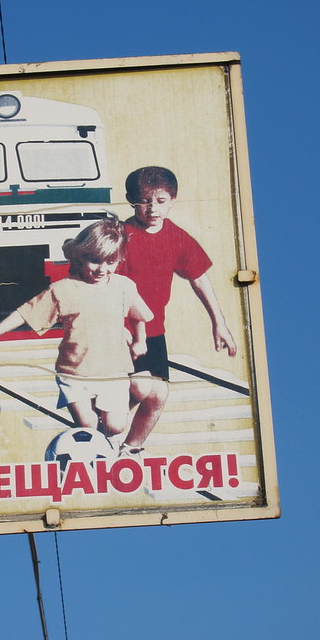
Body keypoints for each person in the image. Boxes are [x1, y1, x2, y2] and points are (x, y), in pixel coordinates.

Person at [0, 218, 166, 455]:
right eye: (95, 261)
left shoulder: (123, 286)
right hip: (75, 374)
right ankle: (94, 456)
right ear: (80, 256)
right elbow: (25, 312)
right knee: (88, 425)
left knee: (116, 426)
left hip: (113, 371)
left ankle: (112, 440)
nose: (102, 269)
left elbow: (138, 315)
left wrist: (140, 340)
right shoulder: (62, 290)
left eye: (110, 262)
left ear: (119, 260)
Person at [117, 166, 236, 446]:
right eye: (144, 200)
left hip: (153, 332)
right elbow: (104, 288)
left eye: (160, 201)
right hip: (120, 329)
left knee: (158, 395)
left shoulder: (176, 236)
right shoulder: (121, 236)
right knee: (139, 387)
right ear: (131, 199)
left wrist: (219, 322)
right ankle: (102, 429)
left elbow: (199, 278)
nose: (152, 208)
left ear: (172, 200)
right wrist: (117, 330)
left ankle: (130, 449)